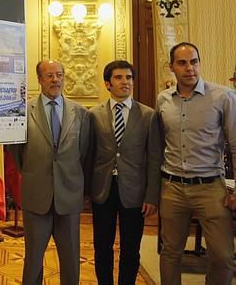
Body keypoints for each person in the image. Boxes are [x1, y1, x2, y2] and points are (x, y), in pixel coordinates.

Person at [157, 42, 236, 285]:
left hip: (210, 187)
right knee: (170, 253)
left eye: (194, 62)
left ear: (200, 63)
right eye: (182, 63)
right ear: (172, 67)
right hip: (172, 187)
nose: (189, 68)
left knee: (223, 257)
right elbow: (159, 144)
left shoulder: (223, 96)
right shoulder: (163, 100)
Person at [10, 60, 90, 285]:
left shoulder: (81, 113)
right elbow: (17, 154)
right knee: (33, 259)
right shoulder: (24, 112)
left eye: (59, 75)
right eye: (49, 76)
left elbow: (84, 153)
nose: (56, 80)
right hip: (36, 197)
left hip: (69, 197)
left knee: (71, 260)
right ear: (39, 80)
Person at [88, 60, 162, 285]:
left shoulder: (149, 115)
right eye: (119, 78)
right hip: (102, 191)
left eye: (129, 78)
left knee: (131, 248)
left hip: (135, 194)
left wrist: (151, 196)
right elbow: (89, 155)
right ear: (107, 84)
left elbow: (155, 158)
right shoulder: (93, 115)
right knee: (102, 246)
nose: (125, 82)